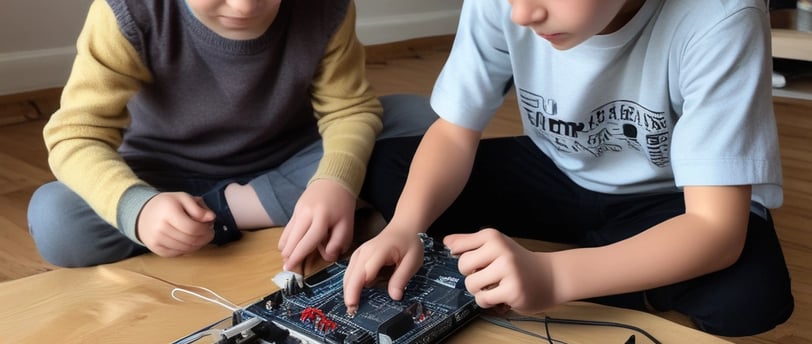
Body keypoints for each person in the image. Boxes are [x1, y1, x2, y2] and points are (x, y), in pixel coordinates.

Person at [342, 0, 794, 337]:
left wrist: (555, 278)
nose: (521, 14)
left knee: (750, 297)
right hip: (555, 168)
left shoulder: (721, 16)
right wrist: (403, 227)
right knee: (388, 169)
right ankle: (613, 267)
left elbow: (714, 226)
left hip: (671, 196)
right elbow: (454, 132)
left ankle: (566, 264)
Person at [27, 0, 435, 268]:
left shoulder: (326, 7)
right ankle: (271, 214)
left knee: (421, 120)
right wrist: (141, 208)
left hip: (290, 159)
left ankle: (241, 214)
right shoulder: (129, 12)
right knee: (55, 219)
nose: (244, 6)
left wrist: (334, 181)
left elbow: (350, 110)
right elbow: (76, 136)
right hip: (165, 181)